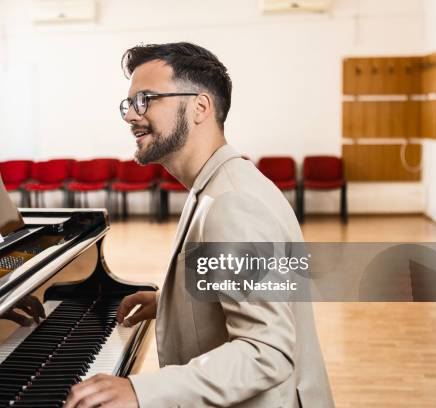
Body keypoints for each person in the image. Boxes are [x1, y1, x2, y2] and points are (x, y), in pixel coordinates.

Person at [63, 42, 334, 408]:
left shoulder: (231, 203)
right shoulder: (220, 184)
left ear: (200, 107)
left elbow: (266, 351)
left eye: (146, 99)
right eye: (130, 103)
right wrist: (174, 302)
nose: (131, 115)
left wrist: (141, 391)